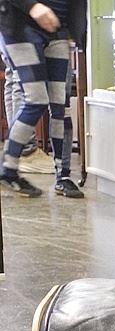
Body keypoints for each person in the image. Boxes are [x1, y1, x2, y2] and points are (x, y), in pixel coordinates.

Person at [0, 1, 86, 198]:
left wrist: (77, 32)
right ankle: (8, 170)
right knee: (36, 100)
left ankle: (63, 176)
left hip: (58, 29)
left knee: (60, 106)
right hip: (22, 27)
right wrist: (32, 6)